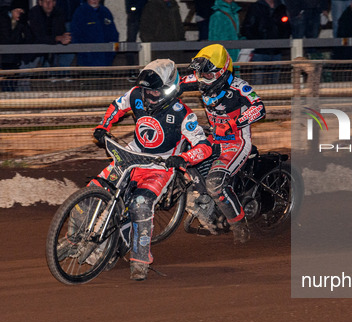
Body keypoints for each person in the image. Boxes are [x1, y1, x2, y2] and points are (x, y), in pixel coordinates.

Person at [91, 59, 212, 280]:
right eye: (147, 90)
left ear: (168, 89)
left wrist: (182, 158)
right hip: (130, 155)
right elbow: (117, 106)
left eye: (155, 91)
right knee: (94, 188)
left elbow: (204, 147)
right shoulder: (136, 94)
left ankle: (140, 261)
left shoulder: (183, 114)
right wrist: (103, 126)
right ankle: (72, 240)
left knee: (140, 205)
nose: (149, 95)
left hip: (159, 166)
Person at [180, 44, 266, 243]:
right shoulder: (200, 77)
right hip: (214, 138)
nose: (202, 79)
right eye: (199, 74)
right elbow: (174, 85)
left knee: (215, 184)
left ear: (222, 71)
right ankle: (209, 209)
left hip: (236, 142)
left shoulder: (239, 87)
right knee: (185, 158)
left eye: (208, 75)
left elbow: (259, 108)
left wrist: (233, 124)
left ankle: (240, 227)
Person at [240, 0, 290, 85]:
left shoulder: (281, 7)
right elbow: (247, 28)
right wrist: (258, 42)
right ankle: (257, 98)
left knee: (275, 84)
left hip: (276, 51)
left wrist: (281, 41)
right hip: (260, 52)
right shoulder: (256, 7)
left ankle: (274, 98)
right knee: (258, 81)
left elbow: (286, 27)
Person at [70, 0, 118, 66]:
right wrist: (82, 52)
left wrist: (114, 51)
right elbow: (75, 34)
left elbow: (114, 34)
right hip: (86, 60)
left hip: (106, 60)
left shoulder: (105, 12)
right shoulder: (80, 12)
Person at [29, 0, 73, 67]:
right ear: (40, 3)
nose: (48, 4)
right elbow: (38, 36)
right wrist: (57, 38)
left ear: (54, 3)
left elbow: (60, 31)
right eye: (45, 1)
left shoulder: (59, 12)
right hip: (34, 50)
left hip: (54, 48)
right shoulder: (34, 13)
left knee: (69, 53)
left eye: (51, 1)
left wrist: (63, 38)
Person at [125, 0, 147, 67]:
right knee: (131, 42)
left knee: (147, 41)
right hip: (135, 16)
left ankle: (131, 69)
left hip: (138, 15)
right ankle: (131, 68)